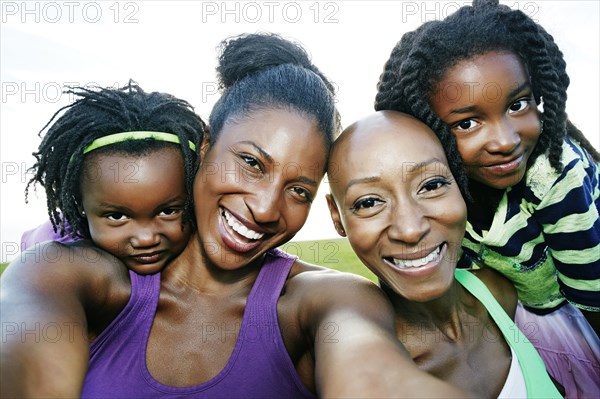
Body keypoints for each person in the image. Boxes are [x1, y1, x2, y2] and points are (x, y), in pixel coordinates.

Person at [1, 33, 468, 398]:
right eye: (251, 163)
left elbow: (369, 367)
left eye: (298, 189)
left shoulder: (322, 299)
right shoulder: (70, 274)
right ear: (205, 145)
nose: (266, 208)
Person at [374, 0, 600, 396]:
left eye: (518, 104)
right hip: (528, 319)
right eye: (467, 123)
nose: (505, 140)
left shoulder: (554, 174)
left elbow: (593, 294)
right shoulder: (444, 192)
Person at [326, 110, 562, 398]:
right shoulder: (372, 379)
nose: (410, 229)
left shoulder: (499, 293)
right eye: (369, 202)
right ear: (336, 216)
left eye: (432, 185)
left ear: (458, 183)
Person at [19, 82, 206, 275]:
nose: (146, 239)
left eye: (168, 211)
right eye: (117, 216)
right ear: (80, 205)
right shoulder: (55, 247)